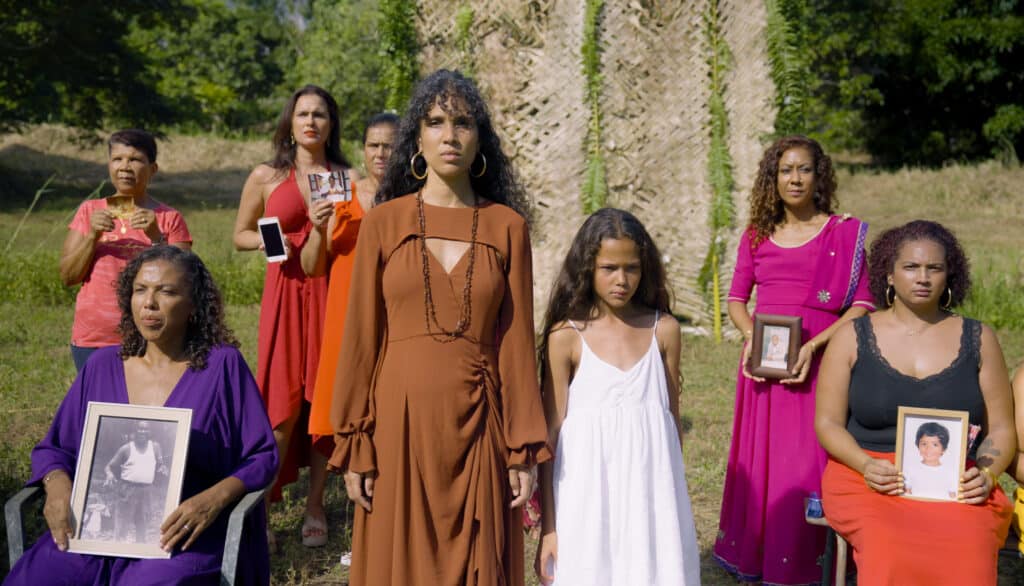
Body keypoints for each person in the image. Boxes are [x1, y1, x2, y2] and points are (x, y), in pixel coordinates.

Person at [327, 70, 550, 586]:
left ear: (481, 139)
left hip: (480, 425)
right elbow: (361, 340)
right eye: (436, 122)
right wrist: (356, 439)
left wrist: (522, 450)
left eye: (463, 123)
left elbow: (516, 347)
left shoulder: (508, 227)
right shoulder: (383, 222)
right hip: (397, 425)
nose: (450, 135)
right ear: (418, 139)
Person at [4, 246, 278, 585]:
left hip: (182, 531)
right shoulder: (102, 366)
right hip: (96, 528)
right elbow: (55, 448)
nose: (149, 303)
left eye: (166, 291)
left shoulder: (222, 367)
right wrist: (57, 485)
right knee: (42, 576)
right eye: (140, 290)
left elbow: (262, 455)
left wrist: (213, 500)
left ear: (193, 305)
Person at [713, 135, 875, 584]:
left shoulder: (842, 233)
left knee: (809, 460)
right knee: (765, 461)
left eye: (804, 169)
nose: (795, 178)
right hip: (765, 368)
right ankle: (761, 553)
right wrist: (753, 339)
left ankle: (812, 559)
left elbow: (863, 305)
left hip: (820, 364)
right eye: (786, 170)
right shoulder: (757, 235)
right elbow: (736, 300)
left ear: (819, 176)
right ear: (773, 179)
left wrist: (812, 347)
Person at [815, 220, 1014, 584]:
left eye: (934, 268)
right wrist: (865, 465)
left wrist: (986, 476)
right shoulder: (851, 336)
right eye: (910, 267)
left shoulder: (980, 338)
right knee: (887, 543)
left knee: (969, 542)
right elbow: (827, 423)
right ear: (889, 275)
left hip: (955, 479)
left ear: (948, 275)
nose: (922, 278)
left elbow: (1001, 428)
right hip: (868, 477)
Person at [534, 208, 700, 586]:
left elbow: (671, 425)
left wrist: (671, 508)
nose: (621, 280)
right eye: (609, 268)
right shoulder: (567, 336)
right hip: (585, 499)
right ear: (587, 268)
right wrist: (550, 527)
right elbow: (551, 438)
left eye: (632, 268)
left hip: (651, 497)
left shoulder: (665, 331)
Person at [232, 85, 355, 548]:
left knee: (322, 403)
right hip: (284, 294)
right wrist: (273, 243)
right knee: (281, 407)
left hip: (329, 292)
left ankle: (316, 504)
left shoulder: (344, 175)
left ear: (330, 123)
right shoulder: (266, 175)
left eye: (320, 114)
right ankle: (262, 504)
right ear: (290, 121)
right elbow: (240, 234)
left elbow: (350, 240)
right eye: (303, 113)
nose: (311, 122)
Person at [60, 129, 192, 371]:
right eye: (117, 159)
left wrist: (156, 237)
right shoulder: (90, 211)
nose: (125, 167)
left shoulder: (169, 218)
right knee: (99, 404)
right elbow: (68, 276)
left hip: (152, 335)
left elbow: (187, 280)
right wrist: (92, 236)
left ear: (153, 169)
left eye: (135, 160)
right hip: (94, 337)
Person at [305, 113, 398, 451]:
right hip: (344, 309)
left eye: (390, 146)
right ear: (362, 151)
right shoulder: (340, 190)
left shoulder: (412, 196)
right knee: (339, 395)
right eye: (373, 145)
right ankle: (322, 493)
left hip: (394, 312)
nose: (381, 154)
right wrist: (316, 228)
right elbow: (313, 267)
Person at [104, 420, 169, 543]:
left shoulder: (155, 447)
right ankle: (117, 551)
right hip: (127, 490)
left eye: (145, 429)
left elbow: (160, 464)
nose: (142, 432)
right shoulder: (126, 448)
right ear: (135, 431)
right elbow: (109, 466)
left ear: (149, 431)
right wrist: (109, 475)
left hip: (146, 491)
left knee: (143, 524)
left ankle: (140, 552)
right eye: (140, 428)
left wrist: (163, 468)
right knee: (122, 525)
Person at [903, 422, 956, 499]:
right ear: (918, 446)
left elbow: (952, 495)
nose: (928, 448)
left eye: (935, 445)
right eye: (924, 444)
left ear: (943, 449)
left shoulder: (949, 472)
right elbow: (907, 491)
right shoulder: (911, 469)